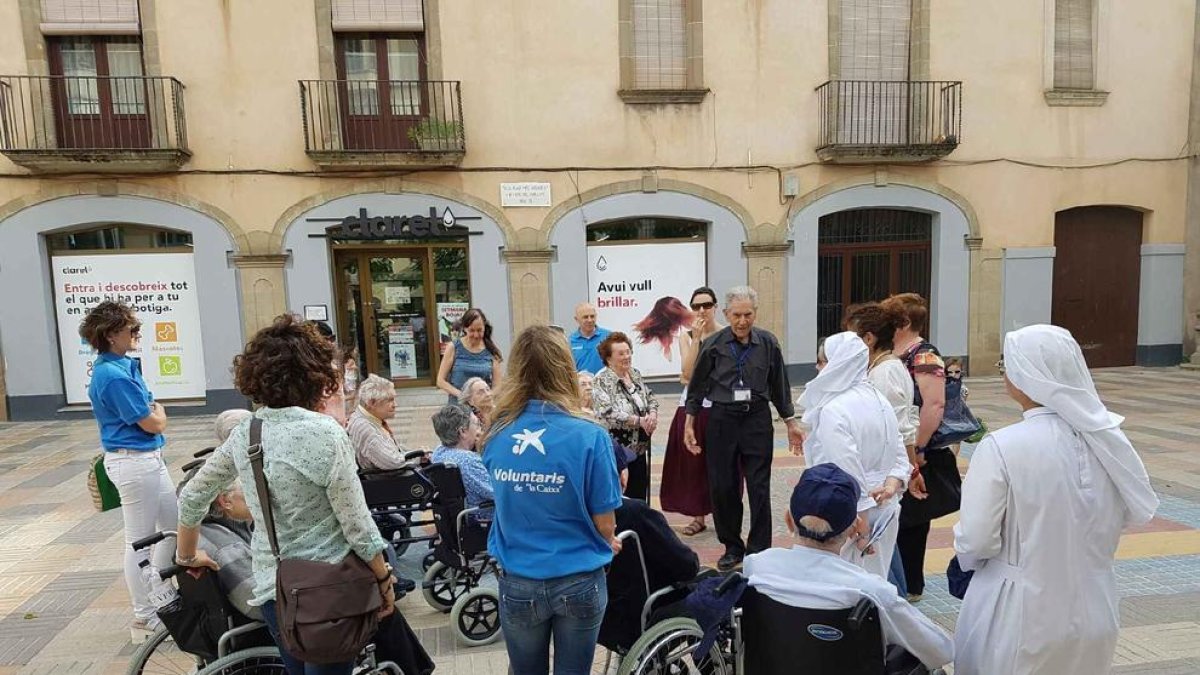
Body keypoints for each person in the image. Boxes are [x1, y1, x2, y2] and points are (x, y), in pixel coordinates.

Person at [175, 314, 395, 675]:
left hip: (274, 587)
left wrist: (187, 555)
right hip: (330, 588)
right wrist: (383, 578)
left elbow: (193, 496)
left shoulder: (247, 431)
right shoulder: (325, 433)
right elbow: (357, 524)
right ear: (313, 374)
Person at [952, 325, 1158, 675]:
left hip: (1018, 608)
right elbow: (1125, 513)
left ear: (1025, 374)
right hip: (1095, 606)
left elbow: (977, 539)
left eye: (1007, 366)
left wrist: (965, 562)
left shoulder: (1002, 446)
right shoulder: (1108, 440)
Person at [482, 324, 624, 675]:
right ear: (565, 367)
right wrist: (608, 539)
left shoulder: (496, 433)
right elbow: (605, 523)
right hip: (579, 577)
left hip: (518, 577)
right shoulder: (590, 436)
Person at [745, 463, 954, 671]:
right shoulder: (871, 591)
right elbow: (941, 651)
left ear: (789, 520)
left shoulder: (757, 567)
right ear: (854, 528)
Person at [684, 286, 805, 572]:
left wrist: (790, 422)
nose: (742, 321)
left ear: (755, 313)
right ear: (726, 314)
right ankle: (732, 546)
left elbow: (779, 386)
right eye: (736, 315)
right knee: (723, 487)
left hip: (756, 420)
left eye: (747, 314)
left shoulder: (767, 343)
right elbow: (697, 385)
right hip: (722, 421)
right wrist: (690, 421)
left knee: (759, 487)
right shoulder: (714, 344)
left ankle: (759, 549)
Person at [78, 300, 176, 641]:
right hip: (133, 461)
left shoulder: (122, 365)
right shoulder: (111, 375)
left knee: (173, 529)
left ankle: (161, 595)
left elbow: (151, 416)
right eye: (131, 329)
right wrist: (160, 418)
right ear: (111, 335)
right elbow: (151, 421)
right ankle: (145, 616)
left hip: (147, 458)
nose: (137, 334)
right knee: (139, 542)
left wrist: (156, 418)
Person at [795, 332, 910, 579]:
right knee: (875, 583)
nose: (817, 367)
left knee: (844, 589)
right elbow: (898, 451)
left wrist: (862, 524)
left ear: (838, 364)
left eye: (822, 361)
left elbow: (845, 470)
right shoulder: (878, 399)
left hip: (849, 517)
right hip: (884, 508)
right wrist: (892, 483)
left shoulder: (834, 409)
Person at [882, 292, 950, 602]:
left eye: (890, 320)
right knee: (902, 516)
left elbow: (933, 404)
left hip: (918, 450)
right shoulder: (897, 352)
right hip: (902, 448)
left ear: (905, 323)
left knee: (913, 519)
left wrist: (918, 449)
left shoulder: (924, 355)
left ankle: (912, 584)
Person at [661, 286, 723, 537]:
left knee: (720, 462)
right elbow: (687, 372)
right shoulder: (686, 336)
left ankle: (722, 512)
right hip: (692, 407)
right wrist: (697, 339)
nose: (702, 311)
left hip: (719, 405)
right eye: (696, 306)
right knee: (692, 463)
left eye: (706, 305)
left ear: (715, 306)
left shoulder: (726, 334)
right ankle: (698, 516)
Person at [155, 473, 260, 620]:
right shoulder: (227, 549)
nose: (258, 495)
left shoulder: (198, 533)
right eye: (248, 489)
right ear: (225, 501)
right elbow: (258, 606)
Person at [592, 332, 660, 502]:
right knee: (621, 496)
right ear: (608, 358)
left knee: (639, 495)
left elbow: (649, 396)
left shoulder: (634, 373)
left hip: (639, 447)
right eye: (621, 353)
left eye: (628, 351)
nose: (627, 356)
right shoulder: (601, 380)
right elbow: (606, 412)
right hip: (618, 448)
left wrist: (652, 414)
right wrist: (638, 420)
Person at [430, 403, 494, 512]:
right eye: (477, 424)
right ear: (463, 431)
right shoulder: (469, 461)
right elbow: (498, 494)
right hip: (483, 517)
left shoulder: (438, 452)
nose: (480, 429)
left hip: (456, 517)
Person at [436, 307, 503, 403]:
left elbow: (498, 385)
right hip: (458, 409)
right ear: (465, 328)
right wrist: (463, 396)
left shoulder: (491, 350)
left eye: (480, 330)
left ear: (484, 328)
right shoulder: (453, 347)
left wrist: (486, 397)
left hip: (482, 409)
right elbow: (440, 381)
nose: (476, 335)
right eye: (472, 330)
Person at [348, 374, 411, 471]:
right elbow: (392, 463)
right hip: (389, 480)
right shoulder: (364, 427)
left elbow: (393, 451)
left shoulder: (368, 418)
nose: (395, 405)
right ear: (371, 403)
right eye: (390, 400)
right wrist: (418, 457)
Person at [569, 302, 612, 374]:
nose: (590, 320)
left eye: (592, 316)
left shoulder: (608, 337)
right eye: (585, 317)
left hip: (604, 383)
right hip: (582, 384)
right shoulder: (570, 341)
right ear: (576, 319)